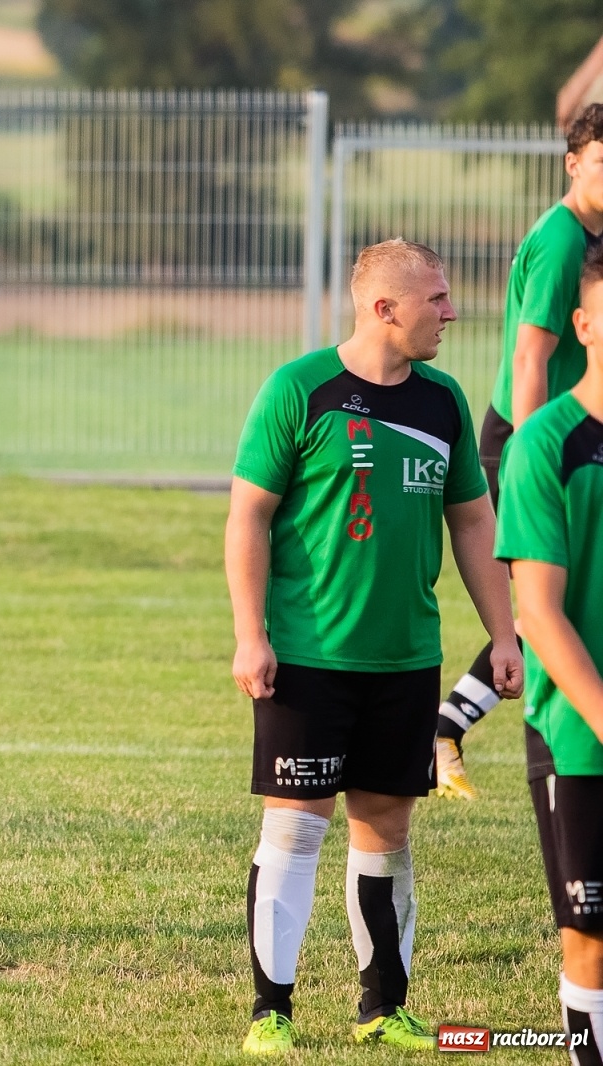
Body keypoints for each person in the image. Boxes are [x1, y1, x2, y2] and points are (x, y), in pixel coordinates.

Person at [225, 239, 523, 1055]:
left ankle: (381, 1007)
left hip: (404, 660)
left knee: (386, 833)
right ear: (383, 308)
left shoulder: (444, 401)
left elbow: (471, 520)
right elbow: (248, 514)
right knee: (293, 832)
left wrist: (502, 633)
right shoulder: (300, 389)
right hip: (308, 658)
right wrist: (251, 635)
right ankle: (271, 1012)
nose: (452, 313)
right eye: (437, 299)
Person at [435, 103, 603, 799]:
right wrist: (541, 453)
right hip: (531, 439)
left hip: (564, 439)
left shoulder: (588, 233)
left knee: (566, 603)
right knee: (548, 608)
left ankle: (445, 725)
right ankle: (445, 726)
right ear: (573, 164)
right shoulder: (564, 240)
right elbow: (530, 355)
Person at [497, 243, 603, 1062]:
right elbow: (537, 612)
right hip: (580, 735)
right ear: (584, 321)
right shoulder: (546, 445)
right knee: (591, 942)